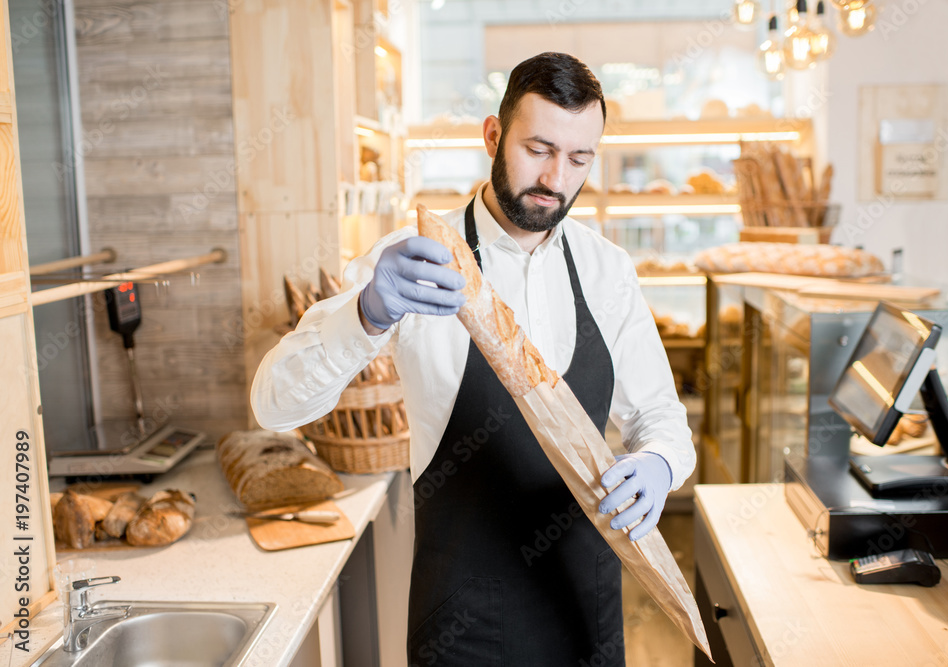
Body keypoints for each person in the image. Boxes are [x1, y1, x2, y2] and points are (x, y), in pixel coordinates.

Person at [251, 52, 695, 667]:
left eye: (578, 158)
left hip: (584, 612)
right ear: (493, 135)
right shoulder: (414, 260)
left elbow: (664, 420)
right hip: (463, 626)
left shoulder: (606, 270)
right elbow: (275, 404)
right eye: (538, 149)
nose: (555, 178)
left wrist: (658, 464)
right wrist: (367, 315)